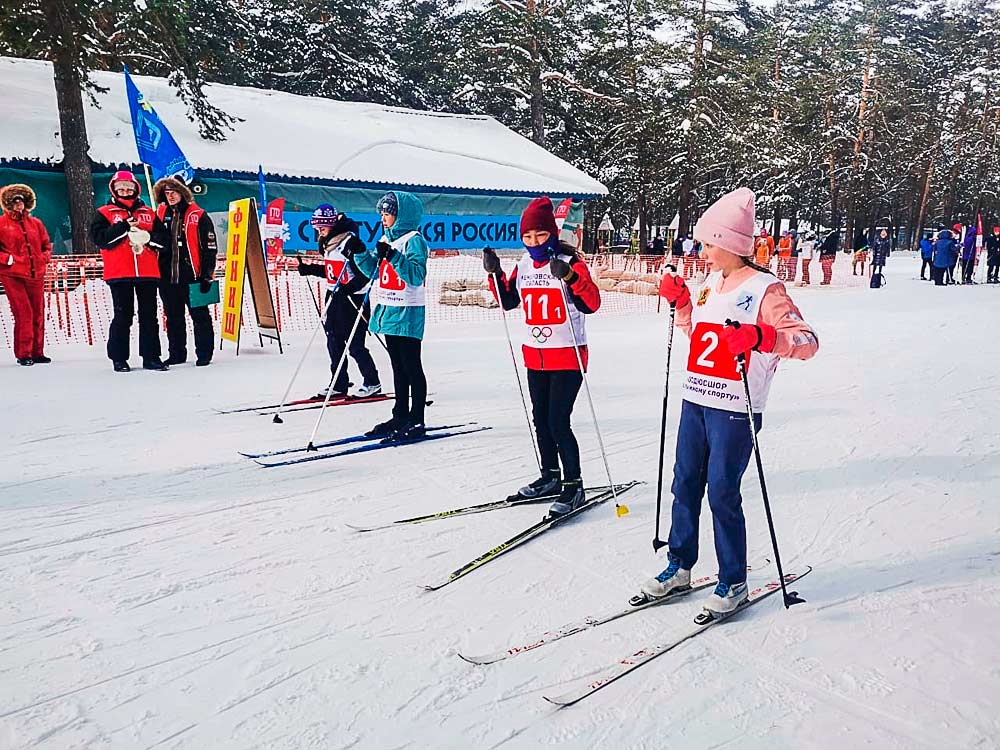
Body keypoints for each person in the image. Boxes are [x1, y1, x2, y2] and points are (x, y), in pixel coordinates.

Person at [641, 187, 818, 615]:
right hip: (696, 400)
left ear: (730, 243)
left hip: (735, 408)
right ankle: (680, 565)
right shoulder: (710, 284)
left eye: (707, 243)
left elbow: (806, 341)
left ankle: (733, 580)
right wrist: (683, 303)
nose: (701, 251)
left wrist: (762, 336)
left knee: (721, 491)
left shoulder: (766, 289)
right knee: (685, 483)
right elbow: (699, 336)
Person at [484, 196, 602, 516]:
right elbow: (509, 300)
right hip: (536, 355)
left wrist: (570, 277)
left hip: (567, 355)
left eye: (540, 235)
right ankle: (550, 475)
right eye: (527, 236)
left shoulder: (570, 261)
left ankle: (573, 484)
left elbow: (591, 304)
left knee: (558, 421)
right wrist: (494, 273)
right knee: (541, 419)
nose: (534, 242)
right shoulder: (524, 264)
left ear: (552, 233)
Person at [354, 191, 429, 441]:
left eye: (388, 213)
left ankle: (416, 418)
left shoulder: (413, 240)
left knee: (411, 366)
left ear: (402, 215)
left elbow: (416, 275)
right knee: (397, 367)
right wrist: (359, 253)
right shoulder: (387, 237)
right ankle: (400, 414)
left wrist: (394, 256)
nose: (383, 218)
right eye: (382, 213)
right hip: (388, 310)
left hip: (407, 312)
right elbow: (373, 271)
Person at [296, 204, 381, 398]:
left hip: (354, 300)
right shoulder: (327, 242)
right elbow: (332, 272)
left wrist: (347, 290)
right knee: (333, 342)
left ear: (332, 224)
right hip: (334, 298)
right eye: (316, 227)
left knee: (355, 345)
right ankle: (339, 383)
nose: (319, 231)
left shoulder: (349, 242)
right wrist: (310, 269)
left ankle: (372, 382)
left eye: (322, 227)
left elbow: (365, 275)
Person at [89, 170, 167, 372]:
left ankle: (151, 357)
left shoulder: (148, 212)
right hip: (119, 273)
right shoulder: (104, 213)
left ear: (136, 189)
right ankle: (119, 358)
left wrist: (148, 238)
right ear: (114, 190)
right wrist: (123, 227)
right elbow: (101, 239)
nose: (125, 191)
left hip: (148, 273)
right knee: (123, 316)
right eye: (121, 188)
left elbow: (163, 239)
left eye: (128, 188)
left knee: (149, 316)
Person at [152, 177, 218, 367]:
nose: (170, 196)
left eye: (174, 192)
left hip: (193, 276)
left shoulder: (199, 215)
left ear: (183, 193)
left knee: (200, 316)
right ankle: (177, 354)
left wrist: (207, 274)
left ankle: (204, 354)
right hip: (167, 276)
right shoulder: (160, 213)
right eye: (167, 193)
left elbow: (210, 248)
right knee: (173, 317)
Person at [0, 184, 52, 366]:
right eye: (15, 201)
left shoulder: (36, 224)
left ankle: (37, 352)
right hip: (12, 275)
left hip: (36, 275)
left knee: (38, 313)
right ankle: (24, 353)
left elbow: (46, 245)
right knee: (24, 313)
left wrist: (43, 258)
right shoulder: (1, 224)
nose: (19, 204)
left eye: (21, 201)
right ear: (8, 204)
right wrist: (8, 259)